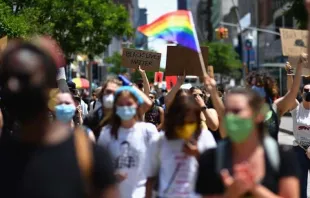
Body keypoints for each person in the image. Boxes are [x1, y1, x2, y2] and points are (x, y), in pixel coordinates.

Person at [0, 39, 118, 198]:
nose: (13, 86)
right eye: (6, 78)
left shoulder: (88, 156)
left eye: (23, 77)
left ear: (49, 82)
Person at [196, 87, 300, 198]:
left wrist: (253, 188)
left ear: (258, 115)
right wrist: (231, 194)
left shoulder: (282, 156)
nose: (230, 117)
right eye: (227, 111)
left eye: (237, 111)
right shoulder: (210, 158)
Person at [145, 95, 216, 198]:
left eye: (191, 123)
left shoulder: (205, 137)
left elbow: (215, 173)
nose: (186, 126)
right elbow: (150, 178)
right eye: (182, 123)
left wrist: (198, 155)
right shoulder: (159, 141)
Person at [98, 86, 158, 198]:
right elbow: (99, 167)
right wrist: (111, 176)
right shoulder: (106, 133)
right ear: (115, 107)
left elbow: (157, 165)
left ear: (137, 105)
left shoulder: (148, 131)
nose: (125, 107)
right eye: (121, 104)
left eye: (129, 104)